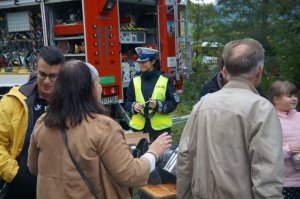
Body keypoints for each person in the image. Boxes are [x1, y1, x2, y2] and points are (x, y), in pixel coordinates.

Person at [27, 60, 172, 199]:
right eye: (98, 82)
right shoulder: (104, 127)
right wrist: (153, 152)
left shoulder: (43, 122)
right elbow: (131, 174)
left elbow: (33, 167)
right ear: (89, 89)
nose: (101, 88)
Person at [177, 38, 284, 199]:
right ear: (259, 71)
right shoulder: (261, 109)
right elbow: (267, 176)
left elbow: (184, 156)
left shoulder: (203, 104)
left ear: (225, 71)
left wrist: (184, 196)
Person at [0, 46, 65, 199]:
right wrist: (14, 174)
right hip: (19, 187)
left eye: (53, 76)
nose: (47, 81)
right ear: (36, 70)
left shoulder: (70, 104)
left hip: (60, 188)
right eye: (42, 74)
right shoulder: (13, 102)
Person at [125, 47, 179, 141]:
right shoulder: (134, 80)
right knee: (138, 156)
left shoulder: (165, 80)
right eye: (140, 62)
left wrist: (158, 105)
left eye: (144, 62)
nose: (141, 65)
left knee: (162, 156)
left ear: (153, 61)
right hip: (138, 130)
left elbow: (174, 102)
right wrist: (134, 106)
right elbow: (127, 102)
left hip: (161, 131)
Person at [269, 80, 300, 199]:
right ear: (276, 99)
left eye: (294, 95)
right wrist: (287, 150)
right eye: (289, 96)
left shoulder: (299, 117)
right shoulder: (271, 120)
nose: (294, 98)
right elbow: (267, 151)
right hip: (284, 182)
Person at [199, 56, 266, 98]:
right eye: (232, 71)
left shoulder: (251, 85)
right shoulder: (209, 90)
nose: (236, 75)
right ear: (223, 71)